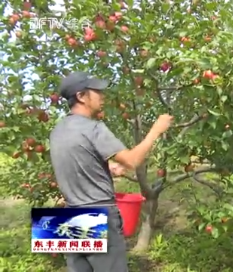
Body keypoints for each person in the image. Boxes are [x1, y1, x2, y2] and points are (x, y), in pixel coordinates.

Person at [49, 72, 173, 272]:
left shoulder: (57, 130)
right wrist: (156, 131)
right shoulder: (93, 128)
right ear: (81, 96)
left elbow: (74, 160)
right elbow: (132, 161)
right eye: (96, 92)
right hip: (97, 213)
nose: (102, 96)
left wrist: (105, 168)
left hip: (68, 214)